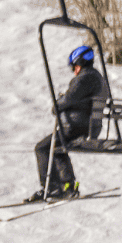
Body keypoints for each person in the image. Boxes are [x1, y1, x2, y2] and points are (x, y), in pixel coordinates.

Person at [28, 44, 109, 202]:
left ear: (80, 64)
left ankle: (50, 187)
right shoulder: (95, 76)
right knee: (58, 148)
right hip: (88, 126)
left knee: (42, 148)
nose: (74, 71)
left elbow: (70, 98)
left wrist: (57, 105)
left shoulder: (85, 78)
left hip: (77, 126)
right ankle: (67, 186)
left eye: (75, 67)